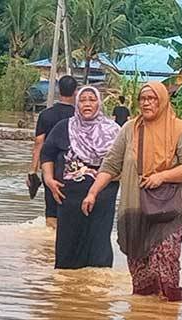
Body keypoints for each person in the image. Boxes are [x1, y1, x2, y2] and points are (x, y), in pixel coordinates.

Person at [82, 82, 182, 302]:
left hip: (167, 211)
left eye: (152, 98)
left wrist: (162, 176)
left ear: (163, 100)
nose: (146, 103)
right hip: (135, 209)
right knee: (142, 282)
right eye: (143, 98)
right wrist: (92, 192)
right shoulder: (129, 129)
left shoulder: (178, 130)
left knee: (167, 269)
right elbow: (110, 164)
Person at [41, 86, 121, 269]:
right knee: (68, 244)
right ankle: (67, 288)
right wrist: (48, 179)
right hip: (68, 198)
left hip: (103, 197)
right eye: (83, 100)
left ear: (99, 103)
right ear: (77, 104)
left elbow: (124, 161)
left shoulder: (113, 130)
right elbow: (47, 153)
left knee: (99, 241)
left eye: (92, 100)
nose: (87, 104)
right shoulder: (65, 127)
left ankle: (97, 290)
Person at [29, 75, 78, 228]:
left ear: (58, 90)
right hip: (74, 167)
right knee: (72, 210)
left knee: (51, 210)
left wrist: (32, 170)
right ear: (76, 92)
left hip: (48, 167)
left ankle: (48, 247)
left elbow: (39, 143)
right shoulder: (79, 116)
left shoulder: (46, 115)